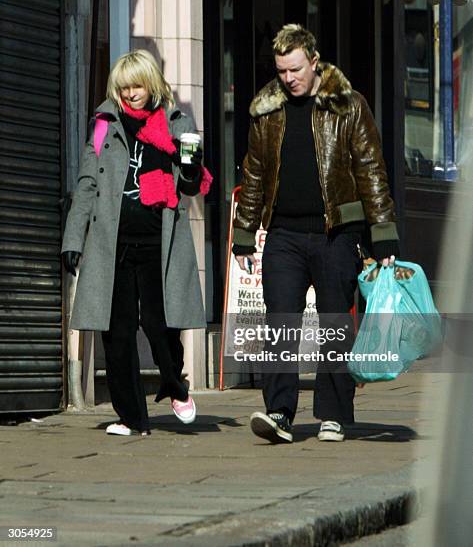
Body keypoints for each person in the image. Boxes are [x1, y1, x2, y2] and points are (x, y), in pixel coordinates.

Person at [232, 24, 399, 444]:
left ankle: (334, 414)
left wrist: (383, 236)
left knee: (334, 326)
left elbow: (371, 170)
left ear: (314, 61)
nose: (288, 78)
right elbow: (253, 173)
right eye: (282, 71)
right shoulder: (266, 111)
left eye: (295, 69)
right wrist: (243, 232)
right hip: (284, 235)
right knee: (280, 323)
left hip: (336, 234)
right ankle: (279, 413)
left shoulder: (348, 105)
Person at [62, 50, 212, 436]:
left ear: (152, 84)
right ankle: (131, 417)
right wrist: (73, 237)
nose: (130, 93)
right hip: (112, 243)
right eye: (124, 87)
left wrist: (191, 168)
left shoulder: (177, 123)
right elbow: (87, 181)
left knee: (161, 325)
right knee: (118, 331)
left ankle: (175, 385)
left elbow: (191, 186)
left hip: (159, 242)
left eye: (137, 86)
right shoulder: (103, 124)